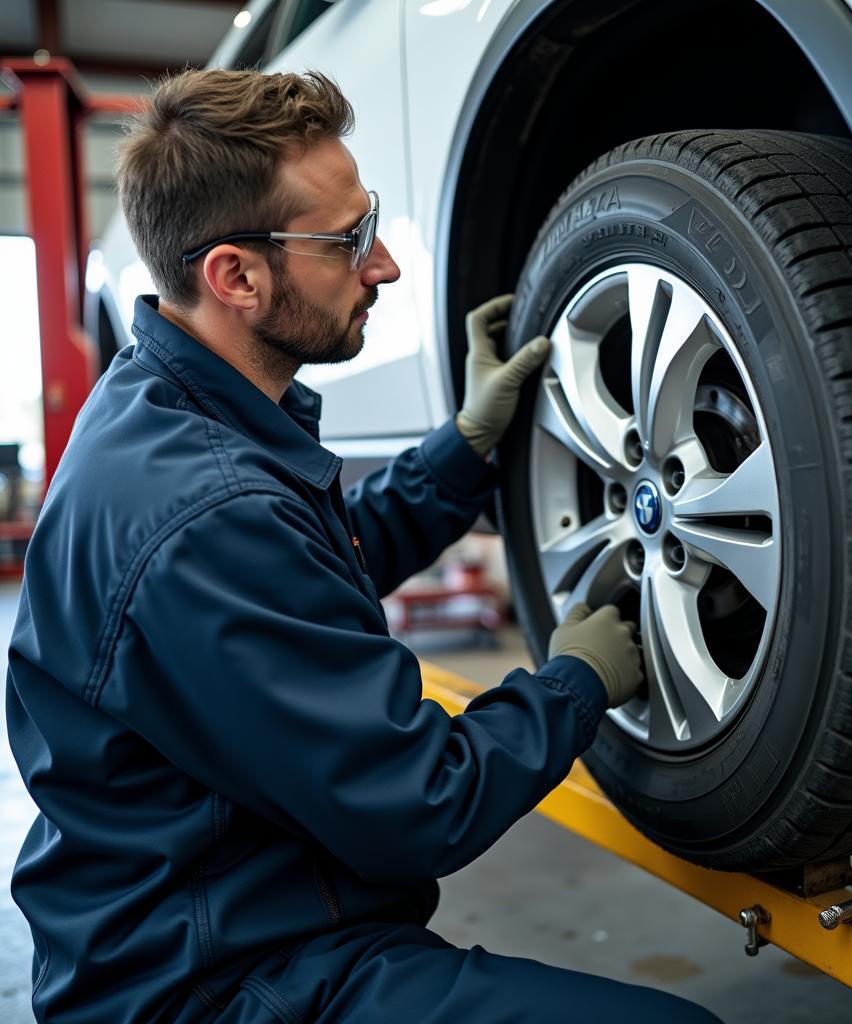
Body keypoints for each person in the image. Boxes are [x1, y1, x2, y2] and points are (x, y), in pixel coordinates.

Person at [6, 69, 723, 1024]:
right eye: (347, 241)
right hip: (221, 987)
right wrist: (573, 683)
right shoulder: (203, 510)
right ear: (237, 277)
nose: (381, 264)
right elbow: (422, 806)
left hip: (241, 915)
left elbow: (312, 566)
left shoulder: (169, 412)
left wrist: (462, 447)